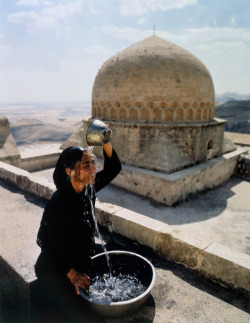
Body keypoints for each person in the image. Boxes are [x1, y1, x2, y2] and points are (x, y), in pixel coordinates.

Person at [33, 135, 121, 321]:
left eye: (92, 162)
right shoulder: (58, 204)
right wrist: (73, 275)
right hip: (57, 268)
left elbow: (114, 168)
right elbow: (47, 246)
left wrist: (104, 140)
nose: (93, 169)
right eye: (86, 165)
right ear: (69, 171)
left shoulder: (88, 190)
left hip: (79, 256)